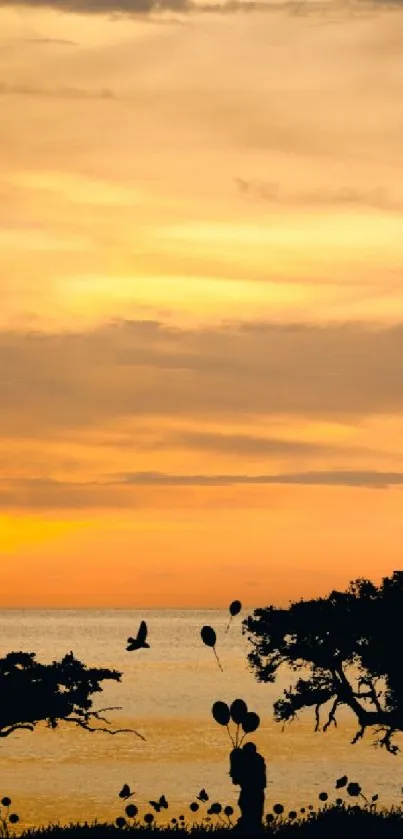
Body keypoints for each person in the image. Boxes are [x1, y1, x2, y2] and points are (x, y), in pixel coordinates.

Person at [229, 741, 266, 833]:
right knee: (255, 819)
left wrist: (235, 761)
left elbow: (235, 781)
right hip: (258, 793)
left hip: (248, 794)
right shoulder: (259, 760)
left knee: (249, 818)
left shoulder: (248, 762)